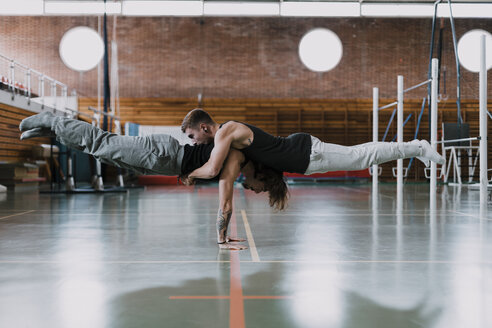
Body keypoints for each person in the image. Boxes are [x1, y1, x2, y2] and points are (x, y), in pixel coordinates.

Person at [19, 111, 288, 250]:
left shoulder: (238, 160)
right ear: (263, 175)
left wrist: (223, 237)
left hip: (163, 160)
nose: (255, 190)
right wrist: (221, 240)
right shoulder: (236, 158)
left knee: (101, 153)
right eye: (261, 188)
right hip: (163, 153)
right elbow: (224, 202)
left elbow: (225, 202)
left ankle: (52, 131)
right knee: (104, 142)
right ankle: (53, 120)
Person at [180, 108, 445, 183]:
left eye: (192, 136)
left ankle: (417, 147)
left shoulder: (226, 131)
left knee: (361, 157)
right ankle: (414, 148)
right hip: (305, 159)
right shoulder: (227, 134)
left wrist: (188, 174)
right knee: (360, 155)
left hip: (306, 153)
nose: (194, 142)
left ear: (204, 127)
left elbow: (213, 168)